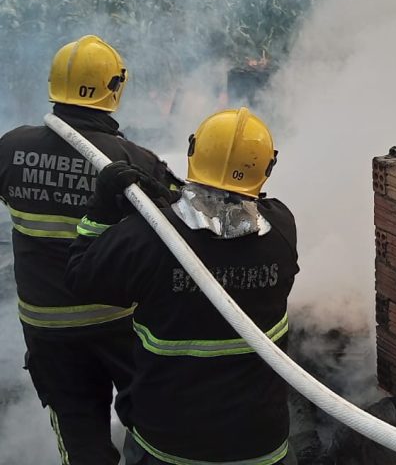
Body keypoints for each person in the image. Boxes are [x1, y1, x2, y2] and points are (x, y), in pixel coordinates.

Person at [66, 107, 299, 465]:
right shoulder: (282, 229)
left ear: (193, 151)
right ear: (266, 168)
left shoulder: (145, 238)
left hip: (169, 444)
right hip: (261, 444)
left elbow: (80, 279)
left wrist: (103, 210)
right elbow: (241, 219)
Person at [0, 35, 180, 464]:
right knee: (159, 429)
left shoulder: (9, 148)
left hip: (48, 332)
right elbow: (182, 216)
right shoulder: (133, 160)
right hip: (119, 325)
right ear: (114, 88)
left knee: (82, 446)